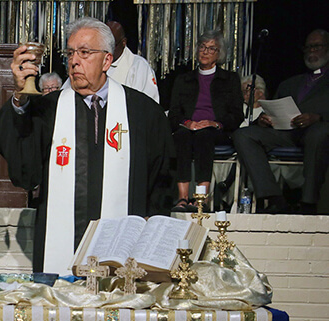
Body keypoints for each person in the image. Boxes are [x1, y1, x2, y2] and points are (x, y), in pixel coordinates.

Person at [0, 17, 173, 274]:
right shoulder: (47, 109)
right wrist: (20, 98)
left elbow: (162, 175)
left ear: (107, 60)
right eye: (70, 53)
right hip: (61, 246)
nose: (74, 60)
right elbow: (25, 169)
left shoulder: (143, 112)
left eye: (85, 52)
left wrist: (151, 222)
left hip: (124, 249)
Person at [233, 29, 329, 215]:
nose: (311, 51)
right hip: (288, 132)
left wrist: (318, 118)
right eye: (308, 47)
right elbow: (274, 107)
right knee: (244, 135)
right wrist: (264, 120)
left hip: (318, 131)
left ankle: (308, 202)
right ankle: (272, 196)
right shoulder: (290, 83)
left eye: (316, 46)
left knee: (319, 134)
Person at [168, 30, 244, 212]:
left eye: (211, 48)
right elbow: (174, 114)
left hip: (216, 130)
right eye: (202, 47)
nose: (205, 52)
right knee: (181, 136)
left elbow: (236, 115)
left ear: (219, 54)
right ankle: (183, 197)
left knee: (204, 136)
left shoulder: (230, 79)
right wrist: (187, 123)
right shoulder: (183, 79)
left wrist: (214, 123)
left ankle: (201, 197)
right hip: (187, 127)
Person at [105, 21, 160, 102]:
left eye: (112, 46)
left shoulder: (140, 67)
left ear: (123, 42)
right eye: (103, 45)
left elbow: (149, 103)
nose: (107, 49)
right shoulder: (94, 62)